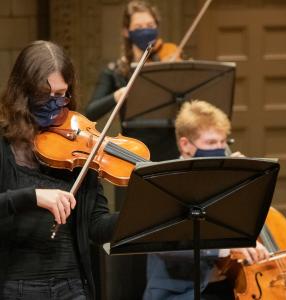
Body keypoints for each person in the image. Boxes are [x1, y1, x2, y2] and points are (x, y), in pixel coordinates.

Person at [0, 40, 118, 300]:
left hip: (72, 287)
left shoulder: (77, 147)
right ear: (24, 92)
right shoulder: (4, 144)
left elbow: (97, 227)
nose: (55, 103)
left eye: (61, 94)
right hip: (15, 288)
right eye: (45, 95)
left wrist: (136, 216)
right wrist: (33, 196)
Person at [143, 100, 270, 300]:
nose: (220, 149)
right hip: (178, 293)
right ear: (185, 145)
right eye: (211, 143)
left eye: (223, 142)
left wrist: (243, 183)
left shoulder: (224, 180)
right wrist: (224, 249)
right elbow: (163, 245)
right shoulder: (164, 182)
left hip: (228, 287)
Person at [86, 0, 179, 161]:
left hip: (169, 152)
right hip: (131, 155)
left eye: (150, 26)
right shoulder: (115, 71)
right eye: (139, 28)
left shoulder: (169, 64)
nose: (145, 31)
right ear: (126, 32)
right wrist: (117, 95)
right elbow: (91, 112)